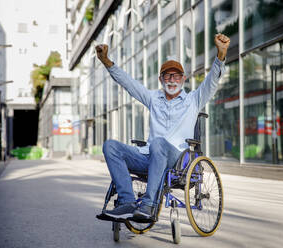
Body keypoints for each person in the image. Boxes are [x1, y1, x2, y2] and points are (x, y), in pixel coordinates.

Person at [96, 33, 230, 221]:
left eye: (176, 76)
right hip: (149, 157)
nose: (172, 80)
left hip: (176, 160)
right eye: (167, 76)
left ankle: (149, 205)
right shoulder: (153, 98)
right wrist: (106, 61)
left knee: (159, 143)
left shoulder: (193, 100)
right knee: (110, 146)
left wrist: (220, 55)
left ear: (183, 80)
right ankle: (127, 201)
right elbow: (128, 83)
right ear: (161, 80)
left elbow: (212, 82)